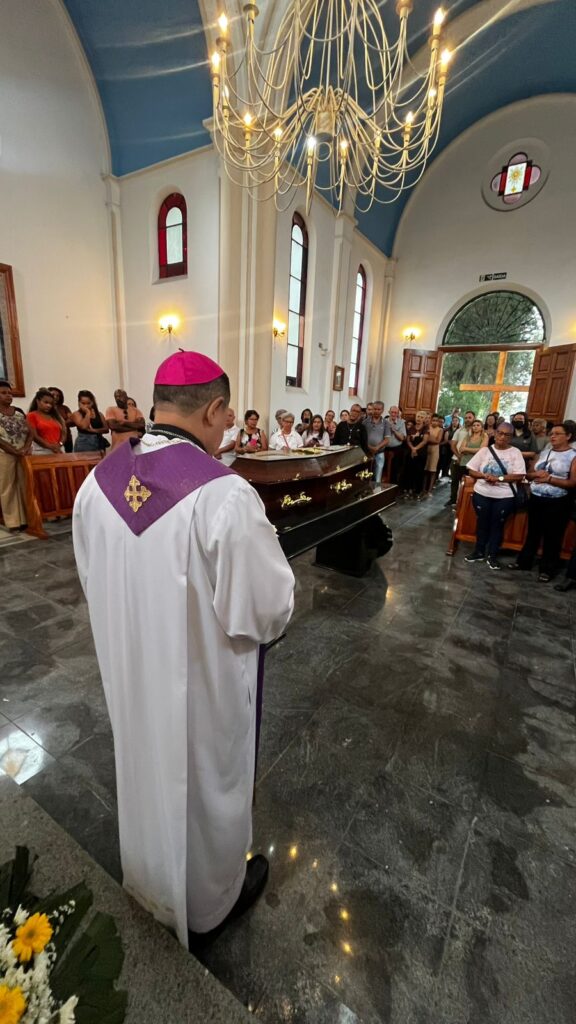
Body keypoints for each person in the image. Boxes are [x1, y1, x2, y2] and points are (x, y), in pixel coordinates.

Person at [73, 350, 295, 948]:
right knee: (202, 788)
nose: (226, 433)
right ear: (216, 408)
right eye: (226, 421)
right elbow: (267, 610)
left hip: (129, 671)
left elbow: (92, 577)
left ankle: (146, 879)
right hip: (202, 689)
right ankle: (210, 904)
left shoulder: (98, 481)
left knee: (144, 773)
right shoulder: (224, 496)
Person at [509, 423, 576, 582]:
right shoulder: (543, 453)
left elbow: (573, 482)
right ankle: (524, 562)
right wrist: (535, 474)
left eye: (558, 433)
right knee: (533, 532)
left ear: (568, 436)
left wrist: (550, 479)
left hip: (558, 501)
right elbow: (529, 474)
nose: (553, 436)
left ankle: (547, 569)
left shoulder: (573, 456)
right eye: (552, 433)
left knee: (553, 535)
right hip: (537, 498)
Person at [464, 423, 526, 570]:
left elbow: (520, 475)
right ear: (495, 434)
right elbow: (471, 469)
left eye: (507, 435)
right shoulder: (485, 451)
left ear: (511, 437)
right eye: (500, 433)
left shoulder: (515, 452)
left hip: (504, 496)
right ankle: (479, 551)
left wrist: (499, 479)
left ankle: (492, 555)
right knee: (482, 523)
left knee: (497, 525)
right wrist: (484, 475)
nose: (502, 437)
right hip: (482, 493)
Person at [0, 379, 31, 531]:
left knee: (24, 484)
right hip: (5, 454)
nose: (8, 396)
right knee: (8, 487)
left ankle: (27, 518)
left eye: (10, 393)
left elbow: (30, 432)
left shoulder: (18, 412)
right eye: (4, 393)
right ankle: (13, 521)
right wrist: (14, 451)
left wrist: (25, 448)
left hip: (22, 453)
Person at [447, 410, 477, 506]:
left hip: (471, 462)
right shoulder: (459, 430)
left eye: (469, 417)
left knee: (467, 483)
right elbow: (453, 445)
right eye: (466, 418)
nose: (467, 419)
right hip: (456, 459)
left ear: (474, 419)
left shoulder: (478, 431)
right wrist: (459, 456)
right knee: (454, 481)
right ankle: (452, 500)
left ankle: (463, 502)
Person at [27, 389, 66, 453]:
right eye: (46, 402)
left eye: (51, 403)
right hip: (41, 450)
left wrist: (60, 444)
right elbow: (34, 436)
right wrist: (51, 446)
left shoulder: (56, 416)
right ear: (38, 401)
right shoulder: (31, 415)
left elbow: (64, 432)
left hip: (59, 449)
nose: (49, 405)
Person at [361, 401, 389, 488]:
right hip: (367, 453)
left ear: (382, 410)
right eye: (375, 409)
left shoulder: (386, 423)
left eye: (378, 409)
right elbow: (362, 438)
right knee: (365, 475)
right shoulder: (365, 422)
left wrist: (377, 447)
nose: (376, 411)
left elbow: (387, 439)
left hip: (379, 453)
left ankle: (376, 493)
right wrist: (369, 447)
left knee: (377, 476)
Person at [404, 411, 429, 499]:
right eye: (418, 416)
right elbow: (408, 440)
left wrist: (416, 449)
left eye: (422, 417)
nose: (419, 419)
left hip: (421, 453)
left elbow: (425, 441)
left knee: (419, 472)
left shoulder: (426, 428)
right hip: (410, 452)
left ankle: (418, 491)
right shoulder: (411, 428)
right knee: (409, 471)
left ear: (425, 419)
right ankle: (409, 489)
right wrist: (412, 448)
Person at [423, 413, 444, 496]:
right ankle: (423, 489)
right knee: (425, 470)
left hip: (435, 450)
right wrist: (430, 439)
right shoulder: (427, 427)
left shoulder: (440, 430)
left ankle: (430, 490)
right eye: (433, 420)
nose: (434, 422)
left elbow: (437, 441)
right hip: (426, 449)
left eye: (436, 421)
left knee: (432, 471)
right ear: (431, 420)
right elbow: (425, 440)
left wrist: (428, 439)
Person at [48, 387, 74, 453]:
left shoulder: (64, 408)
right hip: (52, 438)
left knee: (68, 459)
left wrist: (60, 423)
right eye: (53, 395)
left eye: (58, 396)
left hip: (67, 438)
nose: (55, 397)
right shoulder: (46, 408)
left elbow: (72, 419)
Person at [386, 406, 407, 484]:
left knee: (394, 470)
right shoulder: (384, 421)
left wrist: (394, 429)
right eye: (392, 412)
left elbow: (402, 438)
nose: (393, 414)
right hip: (385, 449)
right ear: (389, 412)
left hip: (396, 450)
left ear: (398, 413)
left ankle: (393, 487)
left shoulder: (401, 423)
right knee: (384, 469)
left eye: (395, 413)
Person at [439, 414, 460, 479]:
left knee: (451, 462)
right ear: (451, 422)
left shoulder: (460, 430)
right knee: (445, 461)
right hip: (447, 448)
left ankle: (448, 473)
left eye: (456, 421)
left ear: (458, 422)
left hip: (455, 449)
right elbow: (446, 439)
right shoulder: (447, 429)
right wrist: (449, 442)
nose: (455, 422)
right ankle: (443, 474)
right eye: (453, 421)